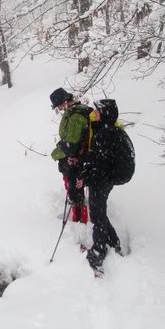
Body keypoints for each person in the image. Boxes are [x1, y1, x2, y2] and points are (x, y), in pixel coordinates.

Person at [80, 99, 123, 275]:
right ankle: (114, 242)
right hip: (105, 179)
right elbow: (96, 161)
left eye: (97, 111)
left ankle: (98, 251)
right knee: (100, 212)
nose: (94, 113)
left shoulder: (106, 135)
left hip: (102, 181)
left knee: (97, 215)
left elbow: (99, 164)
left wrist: (86, 177)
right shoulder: (107, 130)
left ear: (104, 114)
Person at [49, 87, 92, 225]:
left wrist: (55, 154)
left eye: (59, 105)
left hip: (77, 159)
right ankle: (78, 218)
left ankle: (81, 222)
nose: (59, 109)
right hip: (75, 157)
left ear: (65, 101)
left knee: (76, 192)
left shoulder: (75, 116)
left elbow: (72, 143)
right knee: (74, 190)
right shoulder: (74, 112)